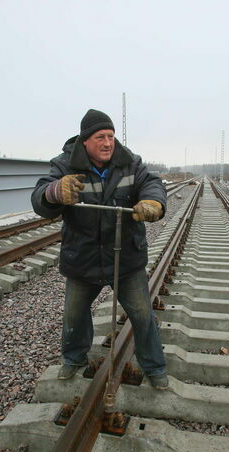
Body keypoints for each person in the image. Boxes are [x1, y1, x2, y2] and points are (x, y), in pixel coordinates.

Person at [31, 109, 169, 390]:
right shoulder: (65, 166)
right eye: (100, 137)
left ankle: (154, 367)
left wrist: (154, 202)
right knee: (74, 314)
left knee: (142, 314)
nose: (107, 143)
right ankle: (73, 358)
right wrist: (55, 192)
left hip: (126, 258)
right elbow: (39, 198)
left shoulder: (130, 163)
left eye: (111, 136)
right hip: (83, 258)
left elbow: (152, 183)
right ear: (85, 141)